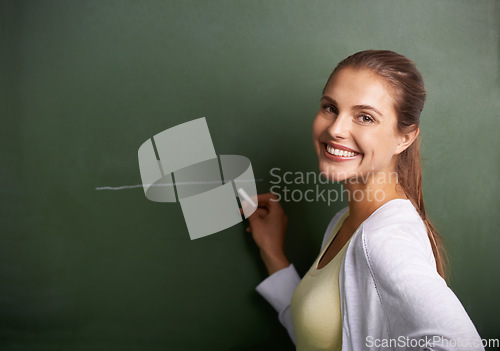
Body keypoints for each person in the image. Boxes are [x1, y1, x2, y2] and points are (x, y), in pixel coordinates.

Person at [242, 50, 483, 350]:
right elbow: (318, 336)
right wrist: (273, 253)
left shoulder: (384, 239)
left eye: (365, 117)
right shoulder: (346, 220)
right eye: (330, 108)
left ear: (404, 138)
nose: (335, 129)